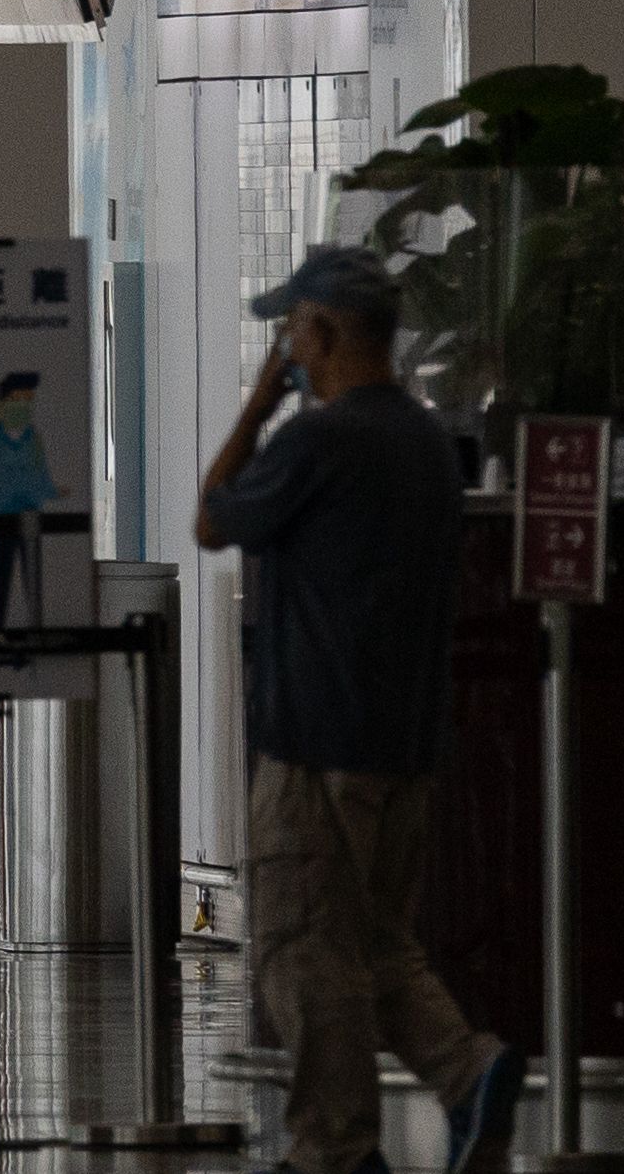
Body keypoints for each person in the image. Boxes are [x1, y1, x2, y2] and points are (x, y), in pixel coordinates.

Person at [195, 247, 521, 1174]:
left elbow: (214, 518)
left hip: (315, 742)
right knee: (376, 944)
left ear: (323, 332)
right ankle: (469, 1073)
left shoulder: (320, 440)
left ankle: (334, 1152)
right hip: (405, 740)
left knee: (305, 948)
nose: (284, 349)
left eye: (289, 332)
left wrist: (260, 406)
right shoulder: (425, 440)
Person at [0, 367, 61, 628]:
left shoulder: (34, 441)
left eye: (27, 400)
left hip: (30, 518)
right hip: (2, 520)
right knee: (2, 577)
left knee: (32, 578)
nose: (23, 406)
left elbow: (42, 479)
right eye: (17, 400)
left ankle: (36, 627)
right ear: (2, 405)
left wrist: (54, 492)